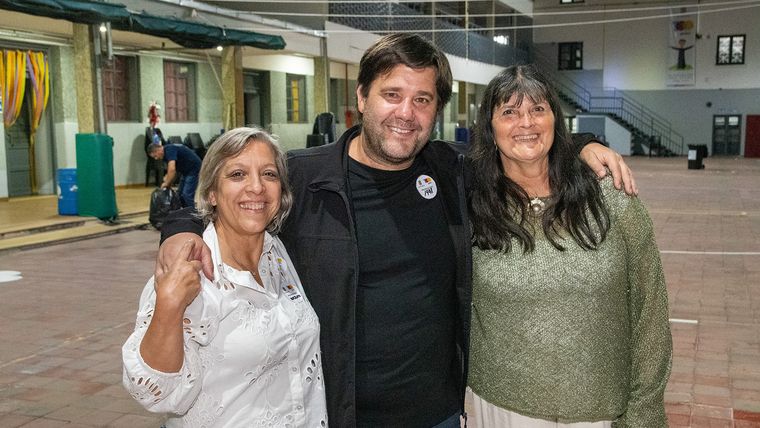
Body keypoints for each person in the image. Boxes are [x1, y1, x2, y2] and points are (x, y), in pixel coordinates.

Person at [156, 34, 637, 427]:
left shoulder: (450, 170)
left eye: (422, 100)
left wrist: (581, 145)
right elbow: (229, 199)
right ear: (361, 97)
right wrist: (179, 231)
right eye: (392, 95)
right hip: (336, 413)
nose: (406, 113)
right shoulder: (304, 176)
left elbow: (518, 145)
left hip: (438, 413)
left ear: (436, 110)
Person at [466, 64, 672, 427]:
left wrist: (645, 411)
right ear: (490, 128)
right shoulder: (471, 204)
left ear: (555, 121)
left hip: (598, 412)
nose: (526, 123)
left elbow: (650, 311)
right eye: (509, 112)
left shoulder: (610, 193)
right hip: (498, 407)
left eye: (538, 109)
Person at [123, 127, 328, 426]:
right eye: (237, 174)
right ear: (211, 193)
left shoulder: (280, 254)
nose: (256, 187)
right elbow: (155, 394)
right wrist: (168, 306)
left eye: (269, 174)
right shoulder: (192, 271)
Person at [148, 142, 202, 208]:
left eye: (155, 156)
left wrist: (166, 183)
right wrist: (168, 183)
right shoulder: (166, 153)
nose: (156, 158)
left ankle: (193, 213)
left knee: (187, 195)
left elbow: (172, 169)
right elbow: (173, 171)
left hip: (194, 170)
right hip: (186, 171)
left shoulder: (169, 150)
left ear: (158, 150)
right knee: (179, 194)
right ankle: (185, 211)